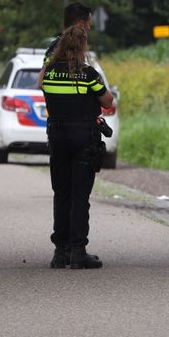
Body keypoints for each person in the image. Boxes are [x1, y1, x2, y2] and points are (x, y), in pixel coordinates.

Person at [42, 25, 114, 269]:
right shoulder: (88, 74)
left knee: (61, 194)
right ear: (83, 47)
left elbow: (42, 87)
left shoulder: (50, 73)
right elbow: (107, 101)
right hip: (83, 138)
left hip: (58, 137)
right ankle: (78, 251)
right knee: (80, 196)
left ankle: (59, 252)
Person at [37, 3, 93, 89]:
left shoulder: (55, 45)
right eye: (89, 23)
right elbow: (41, 82)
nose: (89, 28)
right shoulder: (59, 46)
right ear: (81, 24)